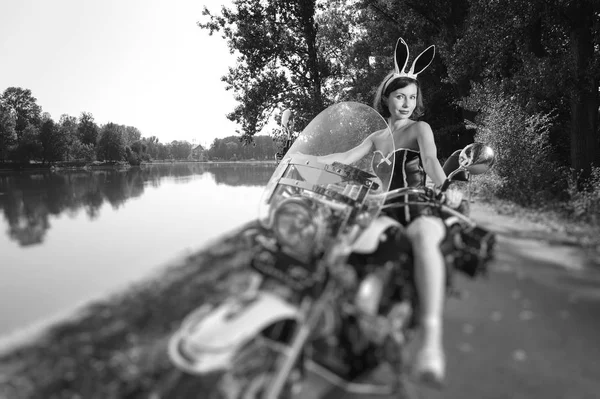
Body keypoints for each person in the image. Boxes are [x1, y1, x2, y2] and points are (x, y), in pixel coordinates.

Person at [317, 38, 460, 387]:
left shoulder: (420, 129)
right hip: (383, 206)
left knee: (424, 238)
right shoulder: (378, 136)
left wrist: (447, 187)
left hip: (417, 205)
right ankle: (342, 326)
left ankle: (431, 343)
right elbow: (344, 159)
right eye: (400, 96)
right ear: (387, 97)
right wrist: (304, 160)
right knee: (345, 243)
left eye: (412, 97)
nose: (407, 103)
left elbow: (430, 162)